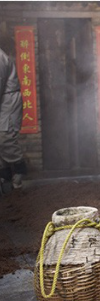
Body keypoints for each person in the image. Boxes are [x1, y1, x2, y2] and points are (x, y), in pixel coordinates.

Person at [0, 47, 26, 195]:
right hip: (4, 99)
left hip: (7, 100)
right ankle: (6, 178)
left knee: (5, 137)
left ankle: (19, 172)